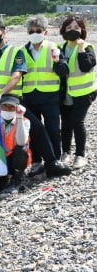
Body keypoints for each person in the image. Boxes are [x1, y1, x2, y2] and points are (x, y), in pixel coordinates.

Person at [0, 21, 71, 178]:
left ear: (4, 32)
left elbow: (16, 76)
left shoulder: (17, 52)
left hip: (10, 97)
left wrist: (1, 94)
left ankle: (51, 162)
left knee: (37, 127)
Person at [20, 16, 68, 170]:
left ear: (45, 32)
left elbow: (64, 71)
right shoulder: (22, 51)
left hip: (49, 95)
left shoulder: (54, 47)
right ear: (27, 32)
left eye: (38, 31)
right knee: (33, 129)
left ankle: (55, 159)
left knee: (53, 129)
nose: (35, 33)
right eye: (31, 31)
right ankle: (36, 161)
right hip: (29, 95)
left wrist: (57, 61)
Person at [58, 14, 96, 169]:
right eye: (69, 28)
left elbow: (87, 67)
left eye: (76, 28)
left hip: (83, 92)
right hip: (64, 92)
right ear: (64, 30)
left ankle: (80, 155)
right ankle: (65, 152)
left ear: (82, 30)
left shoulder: (88, 48)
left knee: (77, 123)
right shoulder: (60, 48)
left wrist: (80, 49)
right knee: (65, 124)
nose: (73, 30)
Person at [0, 94, 31, 193]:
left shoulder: (24, 121)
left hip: (15, 159)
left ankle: (16, 179)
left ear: (17, 108)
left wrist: (19, 117)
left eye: (11, 107)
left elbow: (21, 142)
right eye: (4, 106)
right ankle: (2, 179)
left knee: (21, 149)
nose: (7, 109)